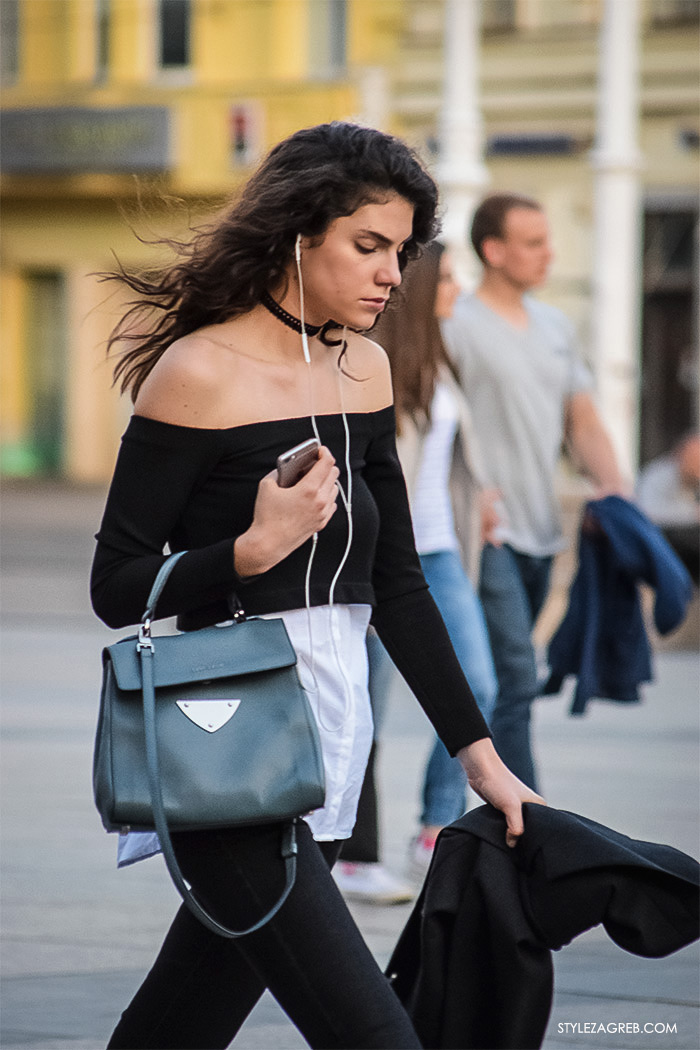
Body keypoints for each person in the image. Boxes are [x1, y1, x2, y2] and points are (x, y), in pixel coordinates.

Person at [91, 124, 542, 1050]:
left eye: (402, 251)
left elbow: (398, 585)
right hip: (236, 755)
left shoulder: (365, 368)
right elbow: (116, 583)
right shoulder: (199, 372)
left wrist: (481, 761)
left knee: (177, 1028)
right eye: (368, 246)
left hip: (334, 748)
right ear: (301, 235)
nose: (391, 275)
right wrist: (246, 556)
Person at [442, 192, 629, 794]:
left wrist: (617, 494)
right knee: (516, 677)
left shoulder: (555, 326)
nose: (550, 254)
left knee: (492, 683)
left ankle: (446, 815)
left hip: (543, 529)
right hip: (485, 529)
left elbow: (583, 421)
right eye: (534, 242)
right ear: (493, 251)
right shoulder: (457, 325)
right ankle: (528, 824)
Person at [335, 242, 498, 899]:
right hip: (379, 561)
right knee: (361, 711)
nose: (459, 288)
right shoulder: (369, 366)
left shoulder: (441, 361)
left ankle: (435, 828)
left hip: (441, 553)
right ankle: (351, 852)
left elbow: (455, 457)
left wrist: (483, 499)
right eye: (451, 277)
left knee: (478, 685)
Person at [636, 432, 700, 583]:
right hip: (660, 534)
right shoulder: (659, 475)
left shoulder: (692, 479)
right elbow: (647, 512)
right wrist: (692, 514)